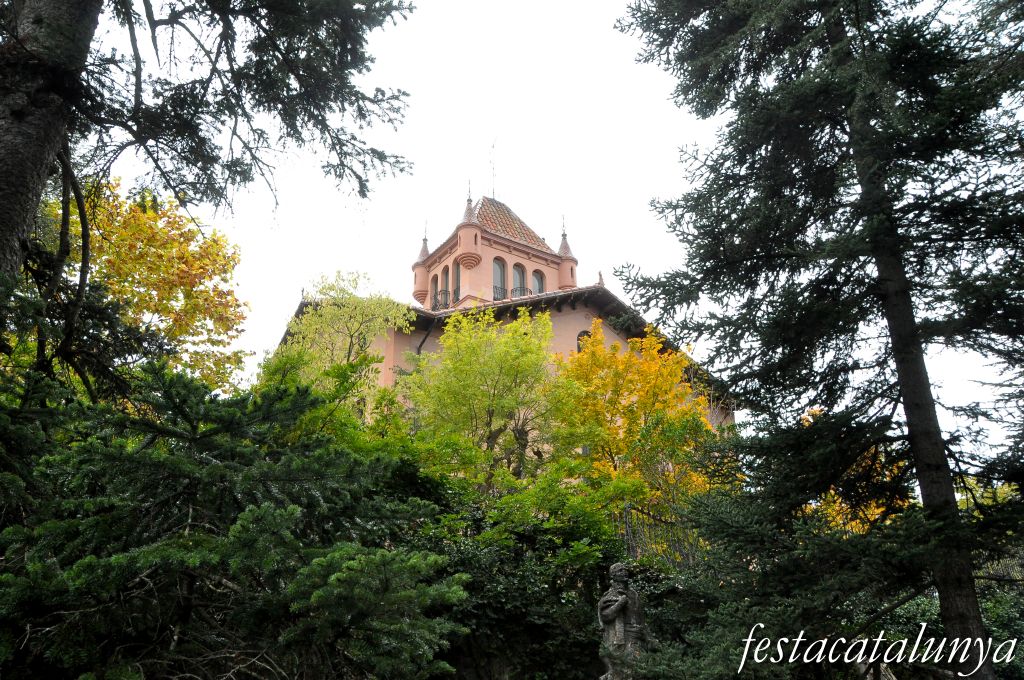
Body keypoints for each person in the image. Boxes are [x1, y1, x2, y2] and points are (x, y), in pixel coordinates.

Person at [598, 562, 645, 680]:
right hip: (622, 636)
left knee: (637, 669)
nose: (624, 572)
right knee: (624, 669)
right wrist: (620, 603)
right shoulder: (611, 594)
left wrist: (648, 636)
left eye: (625, 569)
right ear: (613, 575)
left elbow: (640, 616)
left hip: (638, 635)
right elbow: (606, 616)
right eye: (620, 570)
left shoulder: (634, 593)